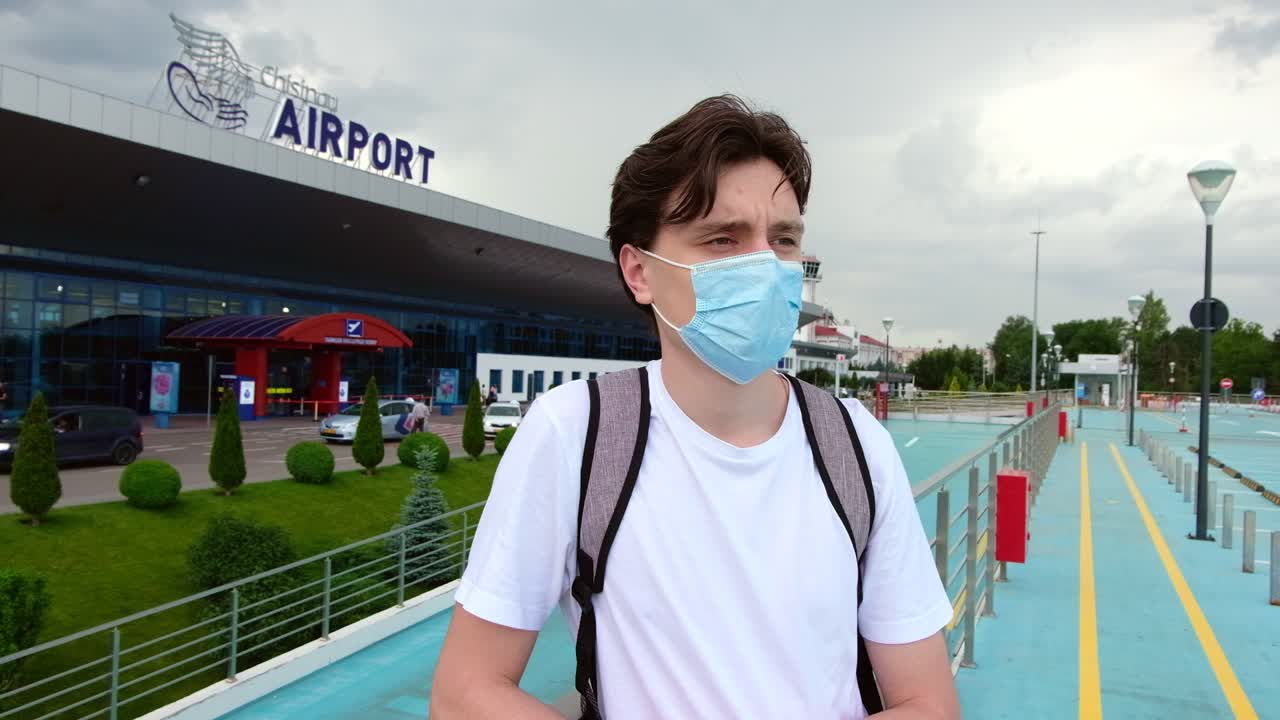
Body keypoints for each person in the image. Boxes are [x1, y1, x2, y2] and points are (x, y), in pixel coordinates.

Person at [431, 96, 959, 719]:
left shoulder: (855, 447)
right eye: (722, 239)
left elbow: (927, 700)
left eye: (784, 239)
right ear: (639, 271)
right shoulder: (578, 434)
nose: (765, 265)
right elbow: (466, 692)